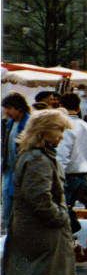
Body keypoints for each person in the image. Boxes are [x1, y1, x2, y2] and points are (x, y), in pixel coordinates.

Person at [2, 109, 76, 275]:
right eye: (59, 131)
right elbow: (40, 198)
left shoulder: (36, 156)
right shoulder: (37, 159)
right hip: (40, 231)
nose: (61, 137)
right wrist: (60, 217)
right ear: (44, 132)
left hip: (37, 228)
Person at [56, 93, 87, 208]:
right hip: (83, 177)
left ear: (60, 107)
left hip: (68, 177)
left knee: (62, 213)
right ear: (78, 108)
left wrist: (57, 179)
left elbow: (61, 155)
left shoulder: (65, 127)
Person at [3, 93, 32, 231]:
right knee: (7, 207)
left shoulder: (28, 124)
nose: (6, 112)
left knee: (17, 208)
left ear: (19, 109)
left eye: (9, 108)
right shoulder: (10, 123)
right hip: (10, 170)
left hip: (21, 172)